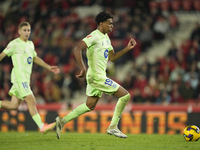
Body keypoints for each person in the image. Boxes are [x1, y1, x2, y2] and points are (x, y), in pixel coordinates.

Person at [55, 12, 136, 139]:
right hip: (96, 76)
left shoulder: (106, 38)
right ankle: (113, 126)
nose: (112, 26)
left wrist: (127, 49)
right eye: (109, 23)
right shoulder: (94, 36)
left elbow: (112, 57)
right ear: (101, 23)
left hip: (98, 76)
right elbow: (77, 49)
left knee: (89, 105)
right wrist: (83, 68)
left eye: (112, 24)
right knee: (125, 96)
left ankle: (62, 121)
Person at [0, 22, 60, 134]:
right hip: (19, 78)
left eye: (28, 30)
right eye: (24, 30)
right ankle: (42, 126)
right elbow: (2, 55)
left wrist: (48, 67)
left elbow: (35, 57)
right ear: (19, 31)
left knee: (13, 105)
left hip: (25, 79)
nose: (27, 32)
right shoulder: (14, 44)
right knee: (31, 100)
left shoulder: (31, 44)